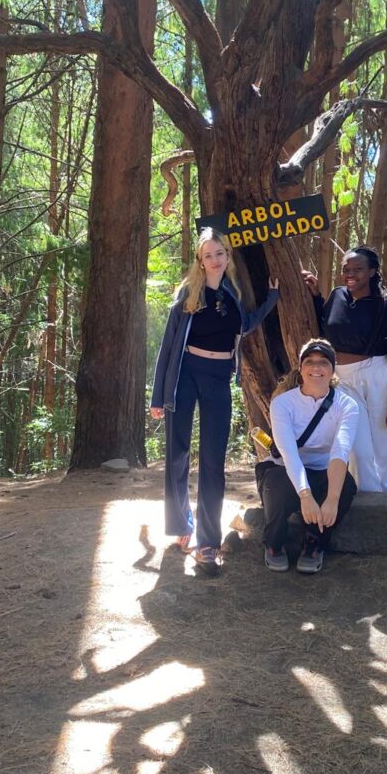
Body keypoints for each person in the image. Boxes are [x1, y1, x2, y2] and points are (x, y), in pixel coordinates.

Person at [151, 228, 279, 573]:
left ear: (227, 256)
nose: (214, 259)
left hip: (219, 378)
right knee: (177, 453)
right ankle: (181, 526)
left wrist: (271, 299)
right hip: (185, 375)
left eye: (219, 253)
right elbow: (168, 345)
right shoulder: (188, 293)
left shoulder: (233, 292)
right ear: (200, 260)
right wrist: (158, 395)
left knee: (213, 461)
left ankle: (208, 542)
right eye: (208, 255)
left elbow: (245, 324)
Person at [302, 246, 387, 503]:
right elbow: (325, 327)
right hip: (342, 379)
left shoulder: (384, 305)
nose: (350, 274)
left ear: (372, 272)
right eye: (346, 269)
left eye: (358, 269)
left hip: (377, 377)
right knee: (356, 448)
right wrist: (316, 297)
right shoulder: (337, 296)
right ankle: (368, 504)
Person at [261, 339, 359, 574]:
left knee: (346, 486)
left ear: (332, 369)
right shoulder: (282, 403)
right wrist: (305, 495)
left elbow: (340, 451)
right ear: (301, 368)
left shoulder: (347, 405)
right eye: (310, 362)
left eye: (323, 362)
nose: (316, 368)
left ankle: (314, 543)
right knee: (277, 485)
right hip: (285, 470)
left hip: (323, 471)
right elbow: (288, 453)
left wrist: (332, 498)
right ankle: (274, 544)